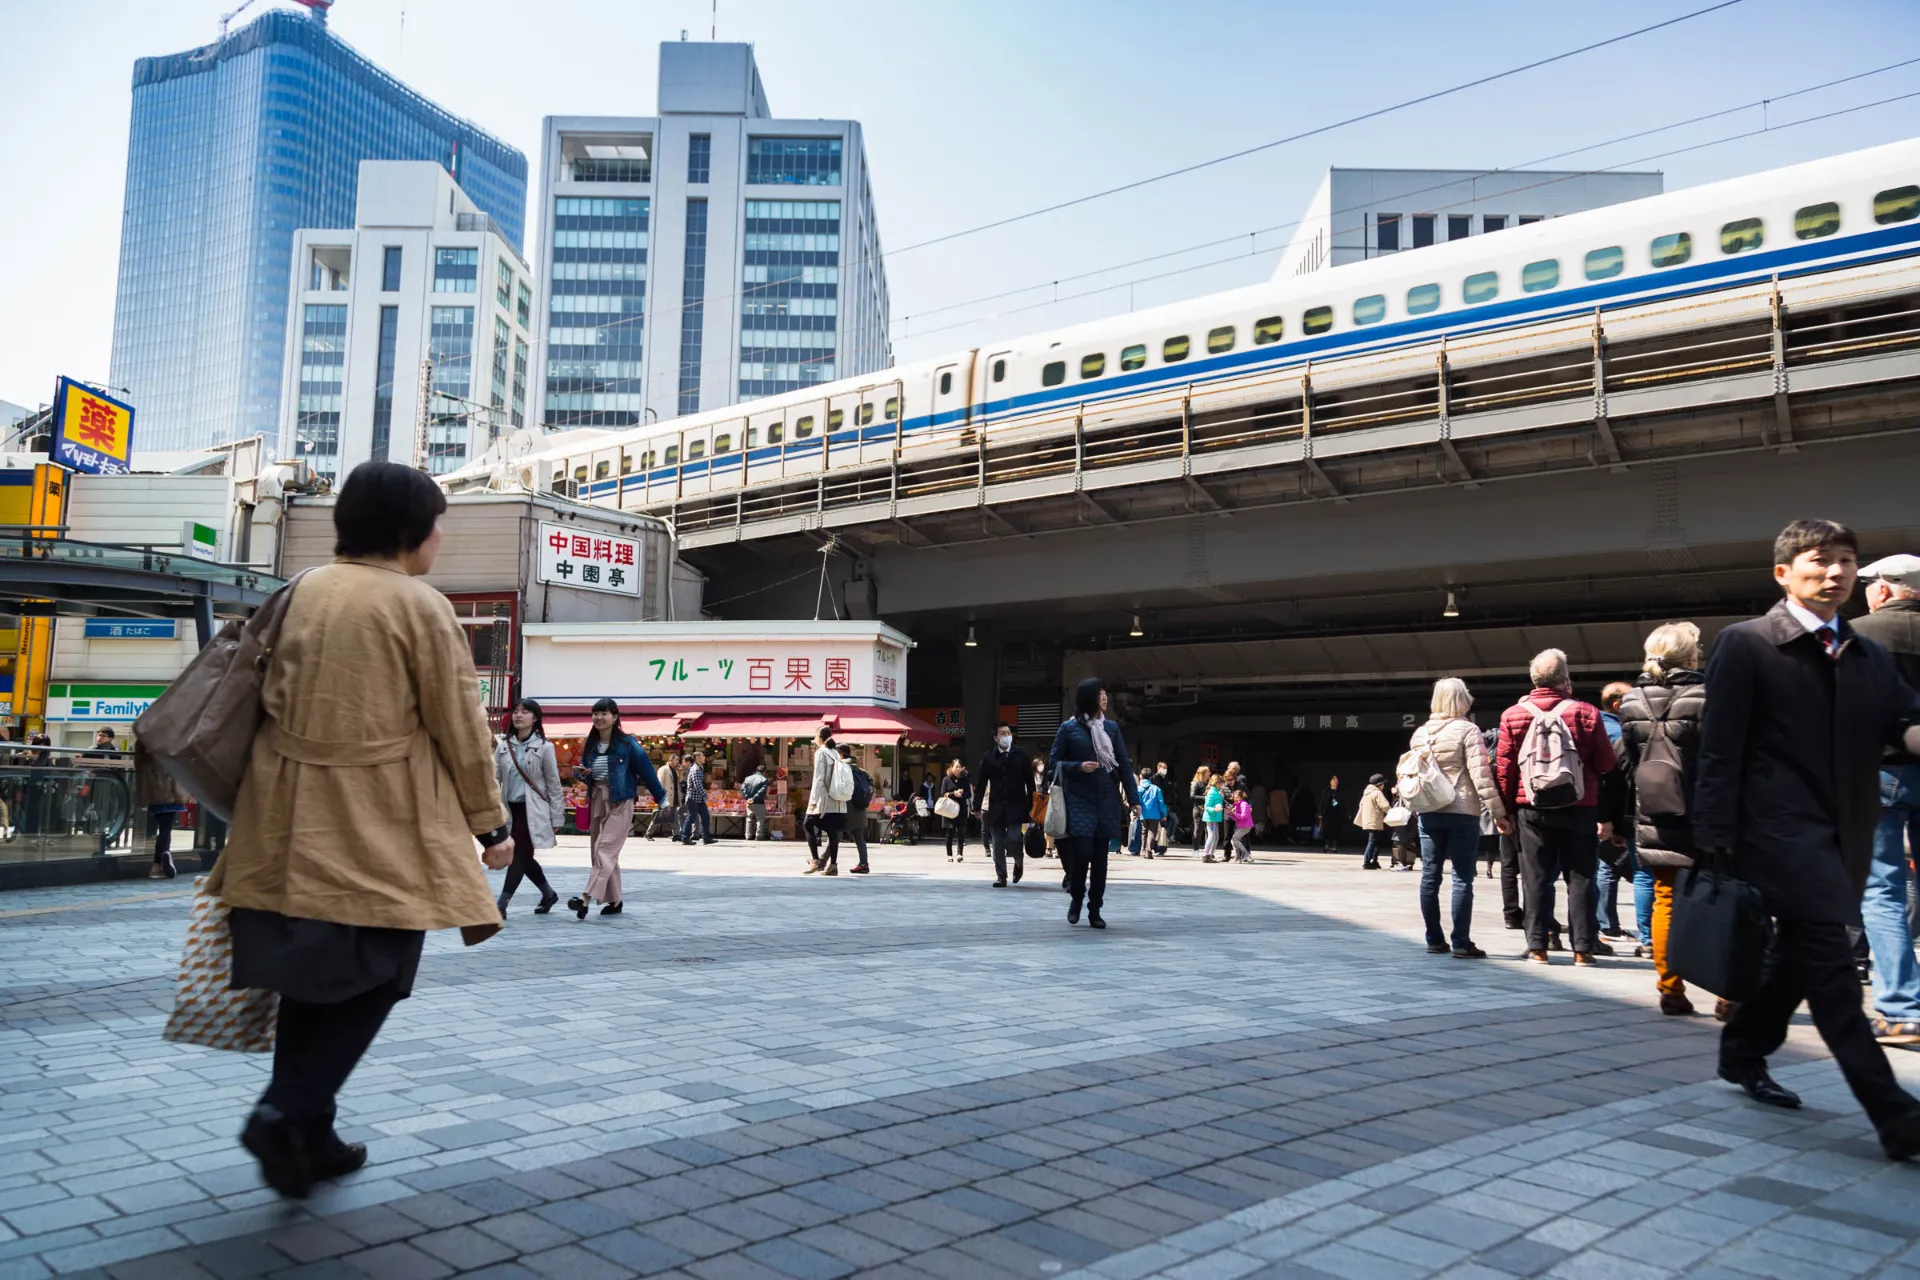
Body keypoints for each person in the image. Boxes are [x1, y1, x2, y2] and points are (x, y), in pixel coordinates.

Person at [208, 461, 515, 1200]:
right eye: (438, 523)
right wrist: (491, 822)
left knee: (309, 981)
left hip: (282, 819)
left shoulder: (303, 589)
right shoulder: (419, 606)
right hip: (375, 818)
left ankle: (309, 1132)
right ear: (411, 531)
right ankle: (285, 1112)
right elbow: (460, 727)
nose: (441, 537)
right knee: (381, 967)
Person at [1697, 520, 1920, 1158]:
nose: (1836, 573)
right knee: (1830, 968)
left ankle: (1741, 1052)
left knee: (1798, 954)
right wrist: (1713, 837)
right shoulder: (1747, 644)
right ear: (1783, 573)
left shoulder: (1866, 655)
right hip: (1776, 832)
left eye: (1847, 561)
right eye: (1820, 561)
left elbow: (1903, 721)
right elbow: (1720, 749)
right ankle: (1897, 1115)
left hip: (1844, 832)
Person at [1495, 648, 1618, 967]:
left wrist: (1504, 811)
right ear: (1566, 680)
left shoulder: (1513, 715)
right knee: (1581, 877)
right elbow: (1606, 762)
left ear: (1534, 680)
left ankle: (1538, 947)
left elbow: (1505, 768)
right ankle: (1583, 949)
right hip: (1580, 806)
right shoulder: (1586, 713)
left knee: (1536, 878)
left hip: (1531, 808)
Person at [1615, 623, 1707, 1016]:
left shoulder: (1632, 700)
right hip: (1705, 813)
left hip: (1654, 809)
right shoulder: (1707, 696)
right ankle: (1727, 994)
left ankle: (1670, 989)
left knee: (1665, 899)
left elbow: (1628, 762)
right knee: (1718, 900)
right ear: (1690, 657)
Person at [1855, 554, 1920, 1045]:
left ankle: (1901, 1008)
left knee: (1882, 889)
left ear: (1885, 589)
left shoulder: (1856, 634)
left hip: (1877, 770)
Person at [1412, 678, 1510, 960]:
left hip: (1429, 811)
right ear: (1462, 700)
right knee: (1462, 878)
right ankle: (1461, 942)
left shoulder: (1420, 734)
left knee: (1430, 876)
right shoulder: (1468, 730)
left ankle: (1433, 939)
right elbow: (1481, 776)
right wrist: (1499, 813)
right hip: (1461, 811)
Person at [1047, 677, 1139, 928]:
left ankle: (1095, 909)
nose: (1105, 698)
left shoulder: (1111, 728)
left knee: (1101, 859)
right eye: (1100, 694)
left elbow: (1124, 764)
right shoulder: (1069, 729)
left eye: (1105, 693)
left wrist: (1134, 799)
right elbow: (1052, 765)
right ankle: (1076, 898)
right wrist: (1078, 766)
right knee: (1082, 853)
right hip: (1078, 799)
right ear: (1089, 698)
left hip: (1106, 800)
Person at [569, 699, 664, 918]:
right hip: (597, 799)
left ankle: (585, 897)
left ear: (615, 717)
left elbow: (646, 770)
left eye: (603, 713)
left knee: (604, 849)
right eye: (595, 714)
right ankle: (615, 900)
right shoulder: (590, 744)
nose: (598, 718)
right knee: (602, 852)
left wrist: (661, 798)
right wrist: (581, 773)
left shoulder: (628, 743)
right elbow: (585, 770)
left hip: (621, 801)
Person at [493, 698, 564, 917]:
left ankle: (501, 905)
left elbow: (553, 784)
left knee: (517, 856)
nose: (519, 715)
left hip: (533, 811)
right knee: (524, 857)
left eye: (525, 711)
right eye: (516, 711)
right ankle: (548, 893)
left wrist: (557, 818)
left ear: (535, 718)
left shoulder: (544, 747)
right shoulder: (503, 747)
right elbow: (494, 780)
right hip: (510, 812)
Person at [1595, 682, 1640, 943]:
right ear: (1617, 704)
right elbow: (1616, 779)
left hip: (1606, 810)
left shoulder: (1600, 725)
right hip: (1616, 810)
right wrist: (1611, 820)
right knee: (1613, 866)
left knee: (1607, 864)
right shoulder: (1615, 732)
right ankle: (1607, 925)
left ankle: (1606, 923)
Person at [974, 721, 1033, 887]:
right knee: (998, 842)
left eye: (1008, 733)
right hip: (996, 806)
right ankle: (1001, 876)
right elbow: (981, 783)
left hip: (1017, 805)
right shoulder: (989, 757)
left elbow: (1030, 782)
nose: (1006, 736)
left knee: (1013, 838)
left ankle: (1019, 861)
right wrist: (976, 806)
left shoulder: (1021, 755)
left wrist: (1033, 805)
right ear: (996, 738)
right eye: (1003, 733)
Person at [135, 744, 189, 879]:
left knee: (161, 826)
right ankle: (161, 858)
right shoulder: (171, 737)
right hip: (171, 788)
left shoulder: (144, 736)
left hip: (152, 789)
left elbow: (139, 763)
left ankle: (157, 867)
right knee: (166, 828)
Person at [805, 725, 846, 875]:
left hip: (823, 798)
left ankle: (815, 859)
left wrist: (814, 800)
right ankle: (833, 865)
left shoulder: (821, 753)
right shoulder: (835, 752)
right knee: (832, 833)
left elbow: (819, 778)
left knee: (807, 824)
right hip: (836, 799)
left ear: (819, 737)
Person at [838, 742, 873, 874]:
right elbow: (872, 782)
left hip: (847, 807)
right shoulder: (859, 769)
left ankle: (821, 862)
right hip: (859, 808)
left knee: (834, 835)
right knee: (858, 837)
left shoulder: (843, 767)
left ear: (840, 754)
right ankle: (864, 863)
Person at [1355, 774, 1390, 870]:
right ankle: (1366, 862)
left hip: (1368, 821)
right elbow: (1385, 806)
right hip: (1375, 821)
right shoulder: (1377, 793)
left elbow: (1361, 805)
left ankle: (1374, 860)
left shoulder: (1366, 793)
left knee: (1376, 842)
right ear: (1380, 784)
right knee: (1372, 842)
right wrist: (1393, 813)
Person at [939, 758, 970, 862]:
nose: (957, 769)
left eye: (959, 767)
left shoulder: (965, 780)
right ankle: (949, 855)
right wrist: (953, 794)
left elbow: (968, 794)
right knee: (949, 832)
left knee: (961, 832)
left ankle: (960, 853)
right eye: (955, 767)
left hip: (961, 808)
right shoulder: (946, 779)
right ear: (951, 767)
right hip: (949, 809)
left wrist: (961, 794)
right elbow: (943, 793)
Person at [645, 752, 681, 841]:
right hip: (666, 796)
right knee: (660, 815)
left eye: (678, 760)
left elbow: (679, 782)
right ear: (671, 760)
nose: (677, 762)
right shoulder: (664, 769)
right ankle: (649, 833)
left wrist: (681, 772)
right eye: (676, 760)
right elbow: (659, 782)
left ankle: (676, 834)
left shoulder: (676, 770)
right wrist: (660, 795)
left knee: (674, 816)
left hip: (675, 796)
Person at [680, 749, 714, 845]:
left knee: (705, 817)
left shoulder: (699, 768)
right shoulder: (696, 769)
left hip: (698, 799)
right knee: (691, 818)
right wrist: (705, 794)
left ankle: (706, 838)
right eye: (703, 756)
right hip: (693, 798)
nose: (704, 758)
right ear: (698, 758)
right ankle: (685, 838)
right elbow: (697, 785)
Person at [1133, 767, 1167, 860]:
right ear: (1151, 777)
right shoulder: (1156, 789)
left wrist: (1135, 813)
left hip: (1142, 813)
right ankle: (1148, 851)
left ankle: (1143, 850)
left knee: (1144, 831)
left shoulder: (1138, 788)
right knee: (1152, 832)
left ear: (1141, 776)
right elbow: (1161, 802)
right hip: (1154, 814)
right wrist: (1164, 814)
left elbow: (1135, 802)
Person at [1200, 774, 1226, 862]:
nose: (1222, 785)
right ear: (1217, 783)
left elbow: (1218, 801)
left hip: (1214, 817)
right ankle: (1206, 855)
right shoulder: (1212, 792)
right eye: (1221, 783)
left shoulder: (1216, 791)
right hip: (1211, 817)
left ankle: (1210, 854)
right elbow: (1207, 806)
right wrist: (1215, 809)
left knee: (1216, 836)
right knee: (1212, 836)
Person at [741, 762, 770, 841]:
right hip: (759, 802)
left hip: (749, 802)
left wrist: (747, 798)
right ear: (764, 772)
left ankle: (748, 835)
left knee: (749, 819)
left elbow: (743, 788)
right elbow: (762, 791)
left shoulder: (747, 778)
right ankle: (759, 836)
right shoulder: (764, 779)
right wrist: (754, 798)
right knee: (760, 819)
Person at [1229, 785, 1255, 864]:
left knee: (1234, 839)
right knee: (1234, 840)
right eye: (1234, 797)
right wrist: (1230, 813)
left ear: (1241, 797)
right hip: (1241, 826)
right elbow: (1236, 818)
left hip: (1246, 826)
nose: (1235, 799)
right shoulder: (1237, 805)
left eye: (1237, 797)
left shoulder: (1244, 804)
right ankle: (1238, 857)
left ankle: (1245, 854)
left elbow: (1243, 816)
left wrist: (1234, 813)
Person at [1189, 766, 1212, 852]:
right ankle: (1195, 849)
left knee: (1209, 830)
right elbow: (1192, 796)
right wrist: (1205, 798)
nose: (1209, 773)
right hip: (1199, 809)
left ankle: (1208, 850)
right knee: (1198, 830)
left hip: (1208, 809)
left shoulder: (1208, 783)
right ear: (1203, 773)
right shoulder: (1196, 783)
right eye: (1208, 772)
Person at [1321, 776, 1344, 852]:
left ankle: (1334, 846)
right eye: (1333, 779)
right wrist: (1320, 813)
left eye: (1337, 780)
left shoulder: (1340, 791)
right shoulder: (1326, 791)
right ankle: (1327, 845)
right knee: (1327, 830)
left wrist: (1336, 803)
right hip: (1327, 813)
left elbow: (1342, 803)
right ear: (1330, 781)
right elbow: (1322, 802)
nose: (1335, 781)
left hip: (1337, 814)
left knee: (1336, 830)